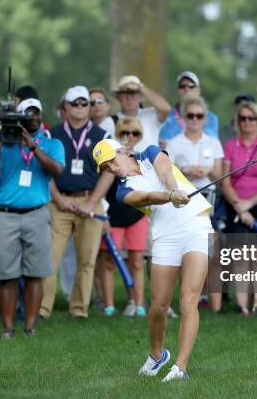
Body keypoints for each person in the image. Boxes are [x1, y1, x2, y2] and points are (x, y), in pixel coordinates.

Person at [93, 138, 213, 382]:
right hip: (165, 236)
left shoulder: (149, 152)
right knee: (158, 306)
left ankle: (180, 367)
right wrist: (170, 195)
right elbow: (145, 197)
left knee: (188, 300)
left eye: (112, 162)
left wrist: (174, 189)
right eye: (106, 168)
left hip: (198, 226)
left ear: (121, 151)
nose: (112, 169)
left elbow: (165, 168)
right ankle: (158, 355)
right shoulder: (122, 191)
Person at [0, 97, 65, 338]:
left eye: (37, 112)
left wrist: (34, 147)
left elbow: (57, 170)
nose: (34, 117)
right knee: (6, 275)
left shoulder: (52, 144)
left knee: (35, 273)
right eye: (28, 113)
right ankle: (8, 328)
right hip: (4, 215)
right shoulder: (4, 142)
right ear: (18, 117)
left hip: (37, 215)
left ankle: (30, 327)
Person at [40, 86, 113, 319]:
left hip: (90, 201)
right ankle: (42, 308)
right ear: (66, 107)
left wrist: (92, 202)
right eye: (75, 103)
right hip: (60, 201)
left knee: (87, 260)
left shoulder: (102, 136)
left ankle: (79, 309)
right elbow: (44, 170)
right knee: (50, 259)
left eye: (84, 103)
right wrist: (58, 198)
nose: (80, 108)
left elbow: (109, 172)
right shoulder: (53, 134)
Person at [220, 101, 257, 316]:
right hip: (236, 206)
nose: (247, 122)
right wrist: (240, 207)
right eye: (243, 118)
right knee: (239, 257)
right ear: (238, 122)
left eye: (251, 118)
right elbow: (225, 181)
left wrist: (250, 204)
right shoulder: (230, 145)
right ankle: (242, 305)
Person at [165, 94, 223, 311]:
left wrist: (207, 170)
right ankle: (188, 301)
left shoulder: (213, 142)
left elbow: (220, 172)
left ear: (205, 118)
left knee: (212, 251)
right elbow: (166, 173)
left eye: (199, 116)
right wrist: (186, 170)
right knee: (186, 251)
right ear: (184, 117)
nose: (195, 120)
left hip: (209, 198)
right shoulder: (174, 142)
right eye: (191, 115)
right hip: (185, 200)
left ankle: (215, 306)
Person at [100, 117, 148, 317]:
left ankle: (139, 305)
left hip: (136, 215)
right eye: (124, 133)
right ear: (117, 136)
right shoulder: (110, 162)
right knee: (109, 261)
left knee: (137, 262)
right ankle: (109, 305)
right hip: (113, 216)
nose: (129, 137)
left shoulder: (142, 160)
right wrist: (103, 217)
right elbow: (101, 191)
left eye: (134, 133)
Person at [159, 71, 219, 144]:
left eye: (191, 86)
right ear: (177, 91)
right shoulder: (166, 116)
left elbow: (210, 144)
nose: (186, 89)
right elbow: (162, 144)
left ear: (198, 90)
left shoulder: (211, 118)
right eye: (182, 86)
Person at [114, 75, 171, 152]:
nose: (129, 97)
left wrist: (140, 87)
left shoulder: (150, 115)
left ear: (140, 96)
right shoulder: (111, 121)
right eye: (124, 93)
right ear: (119, 97)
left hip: (151, 163)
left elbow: (166, 109)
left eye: (133, 93)